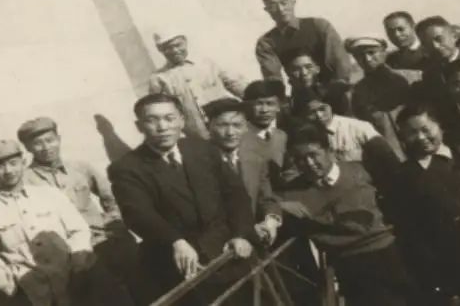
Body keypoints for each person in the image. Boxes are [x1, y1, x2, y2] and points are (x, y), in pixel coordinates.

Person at [108, 93, 255, 305]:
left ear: (182, 120)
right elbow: (138, 214)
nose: (162, 127)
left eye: (169, 118)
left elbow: (235, 195)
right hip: (179, 264)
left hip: (228, 251)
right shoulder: (126, 168)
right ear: (139, 126)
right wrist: (175, 241)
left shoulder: (202, 149)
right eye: (152, 120)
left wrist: (241, 234)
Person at [260, 124, 420, 306]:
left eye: (313, 155)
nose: (309, 164)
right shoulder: (294, 192)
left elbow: (374, 214)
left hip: (387, 253)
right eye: (300, 159)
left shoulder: (360, 171)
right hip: (348, 263)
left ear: (328, 151)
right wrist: (280, 206)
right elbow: (268, 202)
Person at [17, 117, 137, 305]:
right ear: (27, 148)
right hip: (70, 255)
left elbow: (112, 197)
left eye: (50, 140)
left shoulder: (80, 168)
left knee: (138, 288)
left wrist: (112, 222)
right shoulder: (25, 182)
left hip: (105, 241)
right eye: (38, 143)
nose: (46, 147)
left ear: (59, 139)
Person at [0, 140, 93, 306]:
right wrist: (13, 284)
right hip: (34, 296)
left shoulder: (51, 195)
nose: (8, 171)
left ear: (23, 162)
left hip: (75, 284)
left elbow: (79, 230)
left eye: (13, 163)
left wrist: (78, 264)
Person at [396, 105, 460, 305]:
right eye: (412, 133)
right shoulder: (404, 177)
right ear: (403, 138)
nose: (421, 137)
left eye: (425, 129)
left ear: (440, 127)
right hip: (457, 269)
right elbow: (413, 233)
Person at [149, 29, 246, 140]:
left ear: (185, 42)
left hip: (228, 126)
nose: (175, 50)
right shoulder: (159, 78)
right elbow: (160, 111)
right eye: (168, 48)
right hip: (197, 136)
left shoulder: (207, 63)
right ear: (160, 50)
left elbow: (236, 84)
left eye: (178, 45)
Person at [255, 0, 353, 85]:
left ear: (293, 3)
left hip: (333, 86)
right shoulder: (266, 42)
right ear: (267, 10)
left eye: (284, 3)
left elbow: (339, 60)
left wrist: (340, 85)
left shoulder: (319, 25)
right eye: (273, 6)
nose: (280, 9)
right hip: (300, 91)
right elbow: (273, 77)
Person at [346, 35, 419, 159]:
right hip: (390, 157)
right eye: (360, 56)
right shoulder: (357, 93)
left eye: (371, 52)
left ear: (384, 52)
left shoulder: (413, 77)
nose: (367, 59)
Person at [204, 97, 273, 215]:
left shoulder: (255, 159)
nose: (230, 133)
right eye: (222, 125)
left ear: (246, 127)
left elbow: (267, 199)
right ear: (208, 126)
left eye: (237, 125)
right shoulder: (196, 161)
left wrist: (272, 218)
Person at [415, 16, 460, 107]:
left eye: (439, 39)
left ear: (454, 36)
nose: (435, 46)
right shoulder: (429, 75)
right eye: (427, 43)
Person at [284, 48, 351, 117]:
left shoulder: (335, 95)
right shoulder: (287, 105)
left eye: (308, 67)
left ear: (317, 69)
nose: (304, 73)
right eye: (296, 69)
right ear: (288, 72)